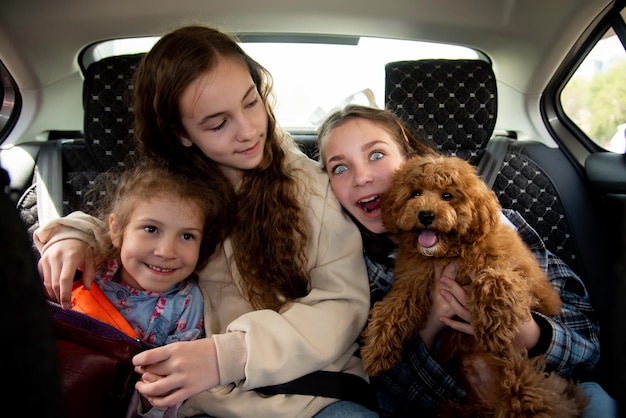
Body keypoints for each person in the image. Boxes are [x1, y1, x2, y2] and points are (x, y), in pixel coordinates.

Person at [34, 25, 377, 418]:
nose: (249, 131)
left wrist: (225, 355)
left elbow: (340, 305)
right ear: (181, 133)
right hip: (198, 404)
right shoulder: (174, 190)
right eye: (217, 124)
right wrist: (76, 237)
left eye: (252, 103)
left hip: (311, 394)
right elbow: (126, 230)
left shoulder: (312, 190)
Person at [316, 104, 618, 417]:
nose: (362, 177)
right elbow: (384, 396)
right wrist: (430, 324)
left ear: (408, 159)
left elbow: (589, 346)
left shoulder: (501, 225)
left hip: (544, 385)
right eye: (340, 168)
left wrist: (528, 332)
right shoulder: (348, 267)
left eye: (376, 154)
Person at [69, 162, 231, 417]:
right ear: (115, 229)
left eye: (187, 236)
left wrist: (151, 400)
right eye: (151, 229)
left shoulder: (187, 303)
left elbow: (171, 386)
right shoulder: (89, 265)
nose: (166, 252)